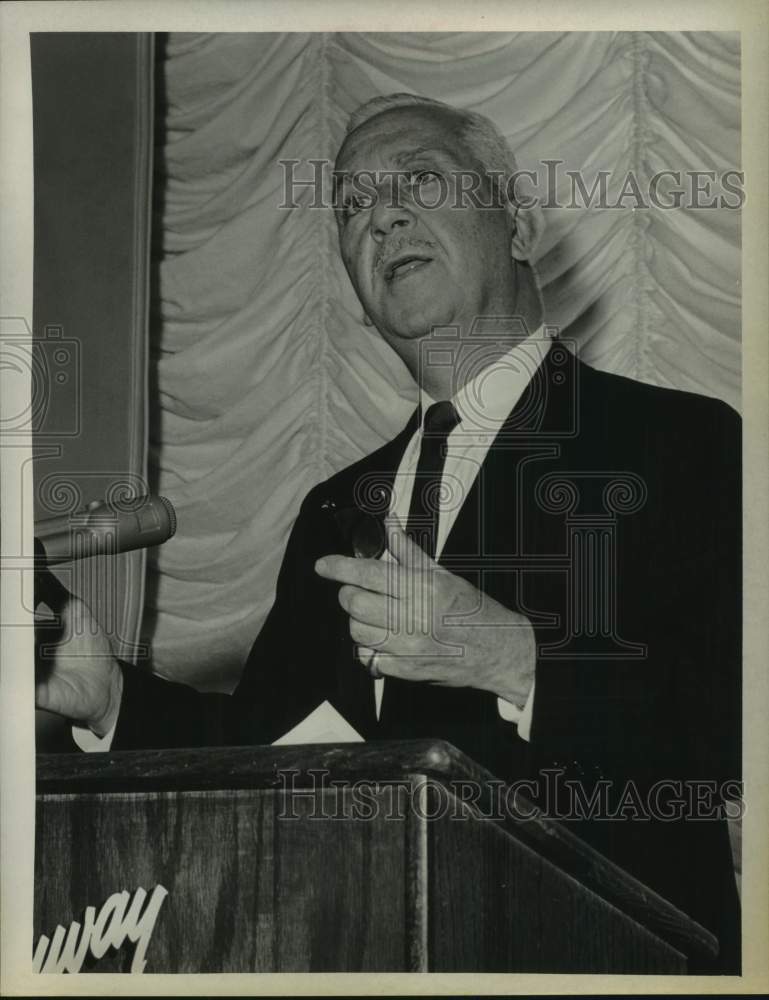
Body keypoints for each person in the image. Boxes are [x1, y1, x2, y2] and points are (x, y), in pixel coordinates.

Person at [35, 93, 741, 972]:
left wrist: (516, 662)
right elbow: (273, 751)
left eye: (418, 179)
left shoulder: (682, 442)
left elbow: (727, 728)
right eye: (352, 204)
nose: (381, 215)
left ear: (517, 224)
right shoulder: (339, 506)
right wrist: (110, 698)